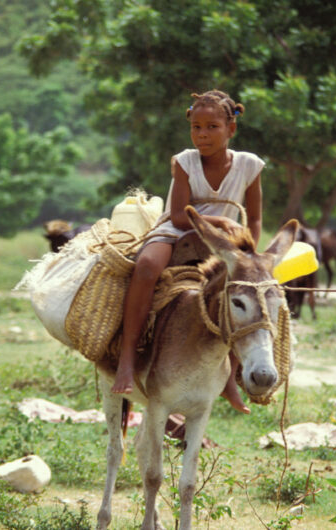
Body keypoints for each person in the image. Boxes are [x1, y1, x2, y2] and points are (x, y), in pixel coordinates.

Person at [111, 90, 264, 414]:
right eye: (196, 127)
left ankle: (231, 377)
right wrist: (219, 219)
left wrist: (249, 250)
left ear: (231, 129)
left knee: (246, 294)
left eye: (212, 127)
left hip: (224, 244)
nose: (202, 134)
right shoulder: (185, 161)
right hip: (178, 230)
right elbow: (179, 214)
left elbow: (256, 216)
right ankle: (126, 359)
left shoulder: (249, 165)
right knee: (147, 266)